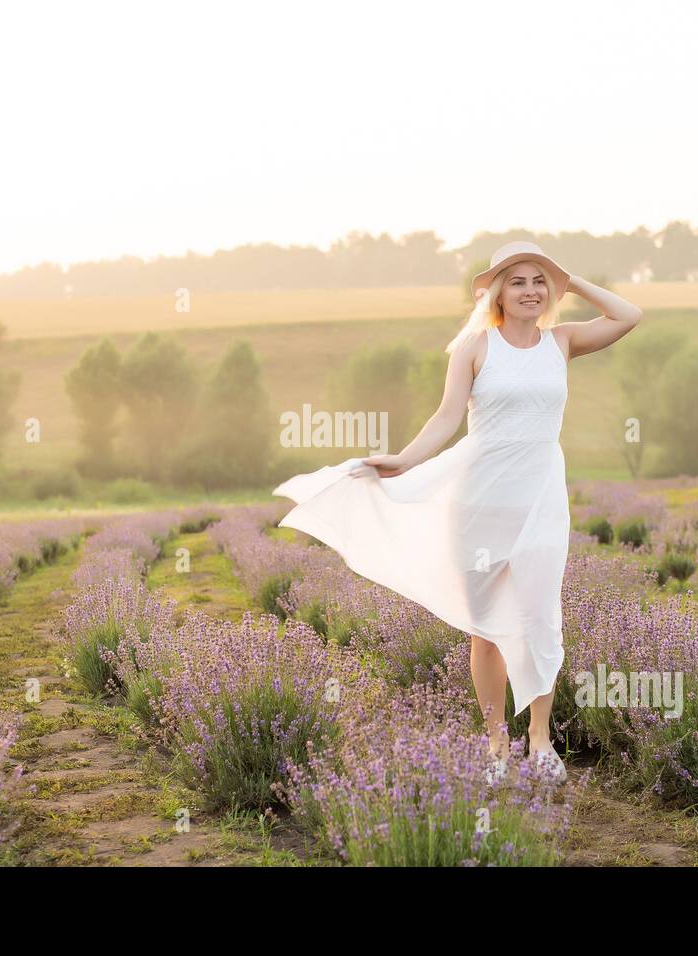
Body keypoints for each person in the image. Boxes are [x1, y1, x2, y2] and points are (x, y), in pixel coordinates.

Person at [272, 240, 643, 783]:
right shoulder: (474, 347)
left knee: (541, 618)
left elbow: (629, 315)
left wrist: (573, 279)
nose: (530, 290)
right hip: (480, 500)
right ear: (497, 291)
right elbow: (446, 418)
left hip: (540, 500)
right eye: (516, 281)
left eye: (539, 281)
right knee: (486, 627)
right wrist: (403, 459)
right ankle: (496, 743)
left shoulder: (561, 342)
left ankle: (540, 740)